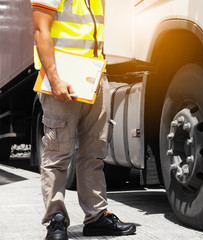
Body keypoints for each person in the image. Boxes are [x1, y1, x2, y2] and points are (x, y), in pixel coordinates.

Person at [30, 0, 136, 239]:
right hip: (62, 76)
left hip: (94, 77)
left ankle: (96, 217)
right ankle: (56, 220)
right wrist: (55, 79)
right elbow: (40, 28)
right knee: (58, 153)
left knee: (94, 152)